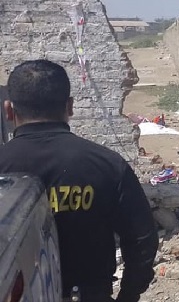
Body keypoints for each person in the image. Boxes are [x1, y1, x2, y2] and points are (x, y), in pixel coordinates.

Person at [0, 60, 159, 301]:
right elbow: (142, 239)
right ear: (70, 106)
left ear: (8, 110)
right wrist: (128, 295)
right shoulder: (107, 164)